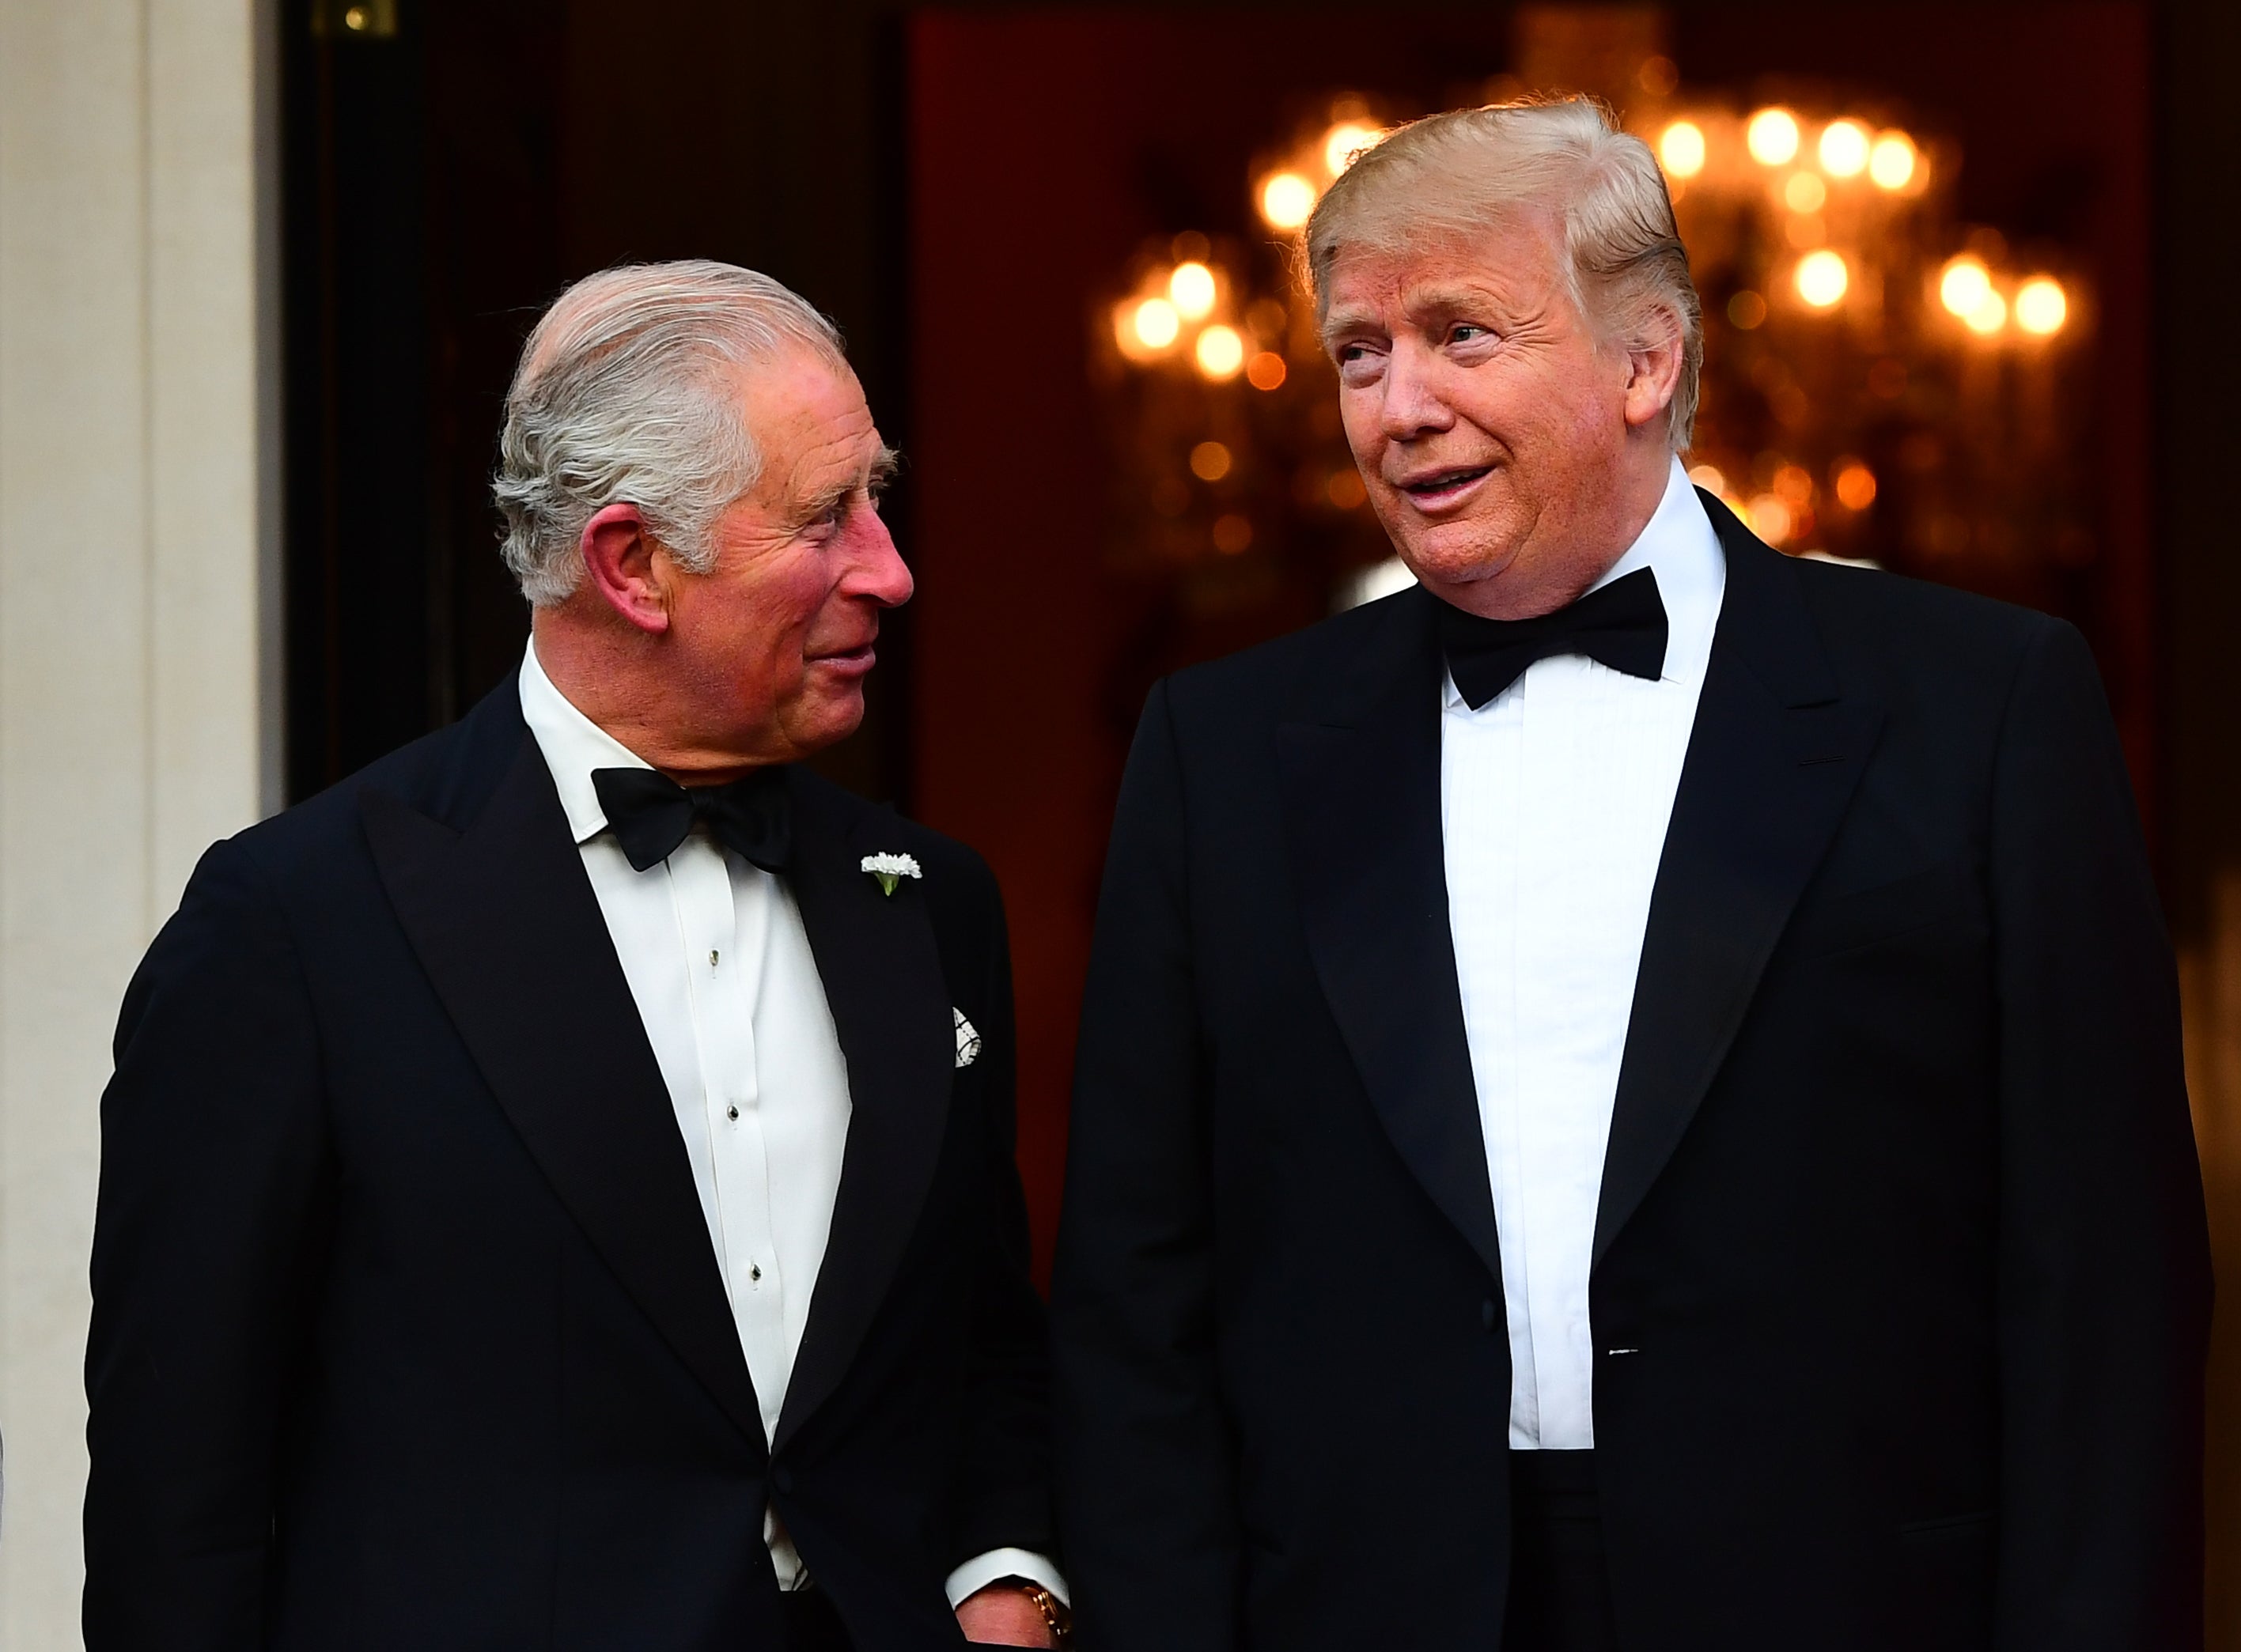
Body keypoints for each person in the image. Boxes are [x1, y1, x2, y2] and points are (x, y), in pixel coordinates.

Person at [1050, 99, 2211, 1651]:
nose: (1398, 407)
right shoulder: (1223, 749)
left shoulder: (1981, 708)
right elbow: (1137, 1296)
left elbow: (2104, 1294)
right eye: (1358, 352)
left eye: (1461, 334)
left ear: (1645, 362)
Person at [86, 263, 1069, 1650]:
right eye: (822, 518)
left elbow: (980, 1342)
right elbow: (172, 1494)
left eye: (877, 497)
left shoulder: (929, 901)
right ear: (632, 564)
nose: (889, 568)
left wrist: (1010, 1591)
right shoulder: (293, 924)